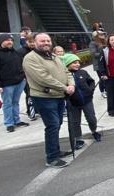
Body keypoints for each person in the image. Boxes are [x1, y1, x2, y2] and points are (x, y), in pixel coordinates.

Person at [22, 33, 75, 168]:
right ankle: (51, 158)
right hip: (44, 98)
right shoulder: (30, 59)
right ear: (34, 42)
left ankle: (55, 151)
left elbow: (66, 71)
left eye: (48, 40)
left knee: (57, 124)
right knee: (52, 125)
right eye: (42, 41)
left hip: (59, 96)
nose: (46, 43)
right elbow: (43, 78)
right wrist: (65, 87)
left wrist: (71, 84)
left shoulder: (53, 56)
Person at [0, 33, 28, 133]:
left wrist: (23, 77)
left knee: (15, 102)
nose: (10, 42)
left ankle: (16, 120)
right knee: (7, 104)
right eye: (7, 40)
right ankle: (9, 123)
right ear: (1, 41)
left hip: (19, 82)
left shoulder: (15, 52)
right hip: (6, 84)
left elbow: (21, 65)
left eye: (11, 40)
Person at [62, 53, 101, 149]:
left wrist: (90, 90)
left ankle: (94, 131)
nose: (77, 64)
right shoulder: (64, 76)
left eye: (78, 62)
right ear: (67, 64)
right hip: (73, 103)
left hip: (87, 100)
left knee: (91, 118)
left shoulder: (83, 72)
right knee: (75, 122)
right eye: (74, 63)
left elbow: (91, 81)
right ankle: (78, 139)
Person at [89, 31, 107, 98]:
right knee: (102, 78)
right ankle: (103, 91)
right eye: (101, 34)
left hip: (106, 63)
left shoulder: (104, 42)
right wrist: (103, 53)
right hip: (98, 64)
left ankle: (107, 90)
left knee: (107, 77)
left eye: (103, 34)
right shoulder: (92, 43)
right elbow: (94, 54)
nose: (102, 35)